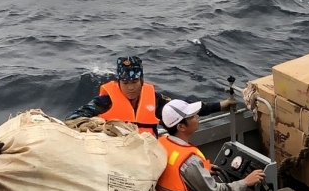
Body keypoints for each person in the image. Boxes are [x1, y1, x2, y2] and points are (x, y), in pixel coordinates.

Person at [66, 55, 237, 135]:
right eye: (125, 84)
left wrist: (220, 106)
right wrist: (101, 128)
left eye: (134, 83)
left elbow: (183, 109)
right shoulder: (105, 101)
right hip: (115, 156)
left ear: (141, 80)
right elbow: (74, 118)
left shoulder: (154, 100)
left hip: (148, 157)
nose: (130, 88)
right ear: (119, 83)